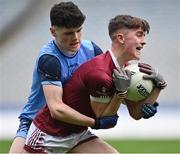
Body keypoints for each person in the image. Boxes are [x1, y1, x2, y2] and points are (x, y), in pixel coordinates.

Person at [24, 15, 167, 153]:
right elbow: (103, 118)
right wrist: (120, 93)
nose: (144, 41)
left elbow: (136, 113)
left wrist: (158, 87)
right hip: (48, 136)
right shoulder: (100, 74)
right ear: (121, 38)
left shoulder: (126, 69)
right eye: (139, 35)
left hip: (78, 133)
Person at [9, 1, 104, 153]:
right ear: (53, 31)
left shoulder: (91, 50)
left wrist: (140, 100)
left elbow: (112, 85)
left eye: (79, 30)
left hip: (71, 128)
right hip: (37, 127)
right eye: (68, 33)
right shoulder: (49, 59)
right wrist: (95, 122)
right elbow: (56, 109)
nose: (76, 38)